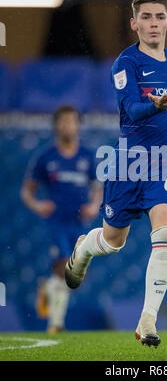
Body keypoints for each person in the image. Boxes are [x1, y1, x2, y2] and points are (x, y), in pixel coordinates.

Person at [65, 0, 167, 348]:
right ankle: (85, 248)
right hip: (128, 165)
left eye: (159, 17)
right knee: (113, 242)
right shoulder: (126, 63)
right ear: (134, 24)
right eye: (145, 17)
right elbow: (132, 111)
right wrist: (156, 106)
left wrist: (162, 110)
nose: (153, 23)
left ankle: (148, 318)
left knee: (166, 235)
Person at [21, 105, 102, 333]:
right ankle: (56, 324)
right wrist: (38, 205)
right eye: (63, 121)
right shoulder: (46, 157)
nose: (68, 125)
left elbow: (97, 188)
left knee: (74, 277)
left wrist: (94, 206)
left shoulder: (86, 156)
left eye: (72, 121)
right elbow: (27, 191)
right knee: (63, 267)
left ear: (78, 125)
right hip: (56, 221)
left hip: (79, 223)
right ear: (57, 125)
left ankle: (47, 290)